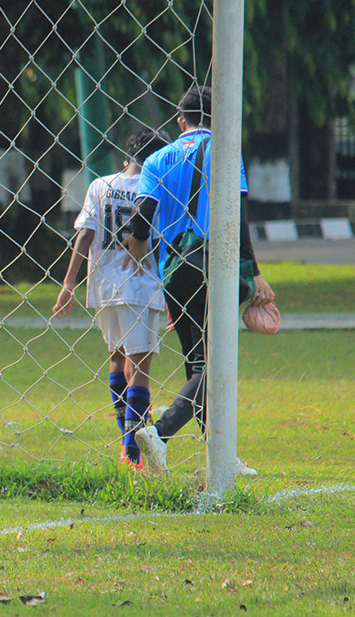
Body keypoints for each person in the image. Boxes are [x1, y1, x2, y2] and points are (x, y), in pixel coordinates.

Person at [121, 85, 275, 475]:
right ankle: (159, 432)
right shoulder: (225, 152)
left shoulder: (157, 159)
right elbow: (237, 217)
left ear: (180, 120)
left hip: (173, 269)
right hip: (213, 266)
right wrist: (254, 272)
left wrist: (137, 248)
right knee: (214, 367)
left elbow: (140, 222)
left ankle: (218, 456)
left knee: (198, 365)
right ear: (217, 118)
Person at [53, 127, 170, 470]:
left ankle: (127, 443)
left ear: (126, 158)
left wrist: (68, 283)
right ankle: (131, 451)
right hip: (142, 285)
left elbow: (85, 235)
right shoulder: (157, 188)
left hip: (103, 285)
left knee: (118, 360)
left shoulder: (100, 185)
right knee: (142, 368)